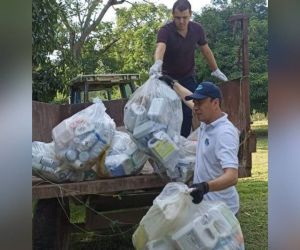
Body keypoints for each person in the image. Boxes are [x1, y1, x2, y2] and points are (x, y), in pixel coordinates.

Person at [159, 75, 240, 216]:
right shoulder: (207, 122)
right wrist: (173, 83)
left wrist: (205, 187)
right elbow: (187, 98)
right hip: (207, 206)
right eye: (195, 103)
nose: (195, 108)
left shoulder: (224, 133)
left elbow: (232, 176)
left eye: (199, 103)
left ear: (215, 103)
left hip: (223, 210)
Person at [149, 0, 228, 138]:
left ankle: (183, 141)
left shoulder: (197, 29)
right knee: (166, 111)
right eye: (177, 18)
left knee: (191, 109)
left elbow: (206, 50)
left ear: (190, 14)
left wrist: (215, 69)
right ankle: (164, 140)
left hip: (188, 76)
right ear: (172, 15)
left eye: (185, 17)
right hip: (168, 79)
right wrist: (157, 63)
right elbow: (160, 47)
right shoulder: (165, 30)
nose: (181, 21)